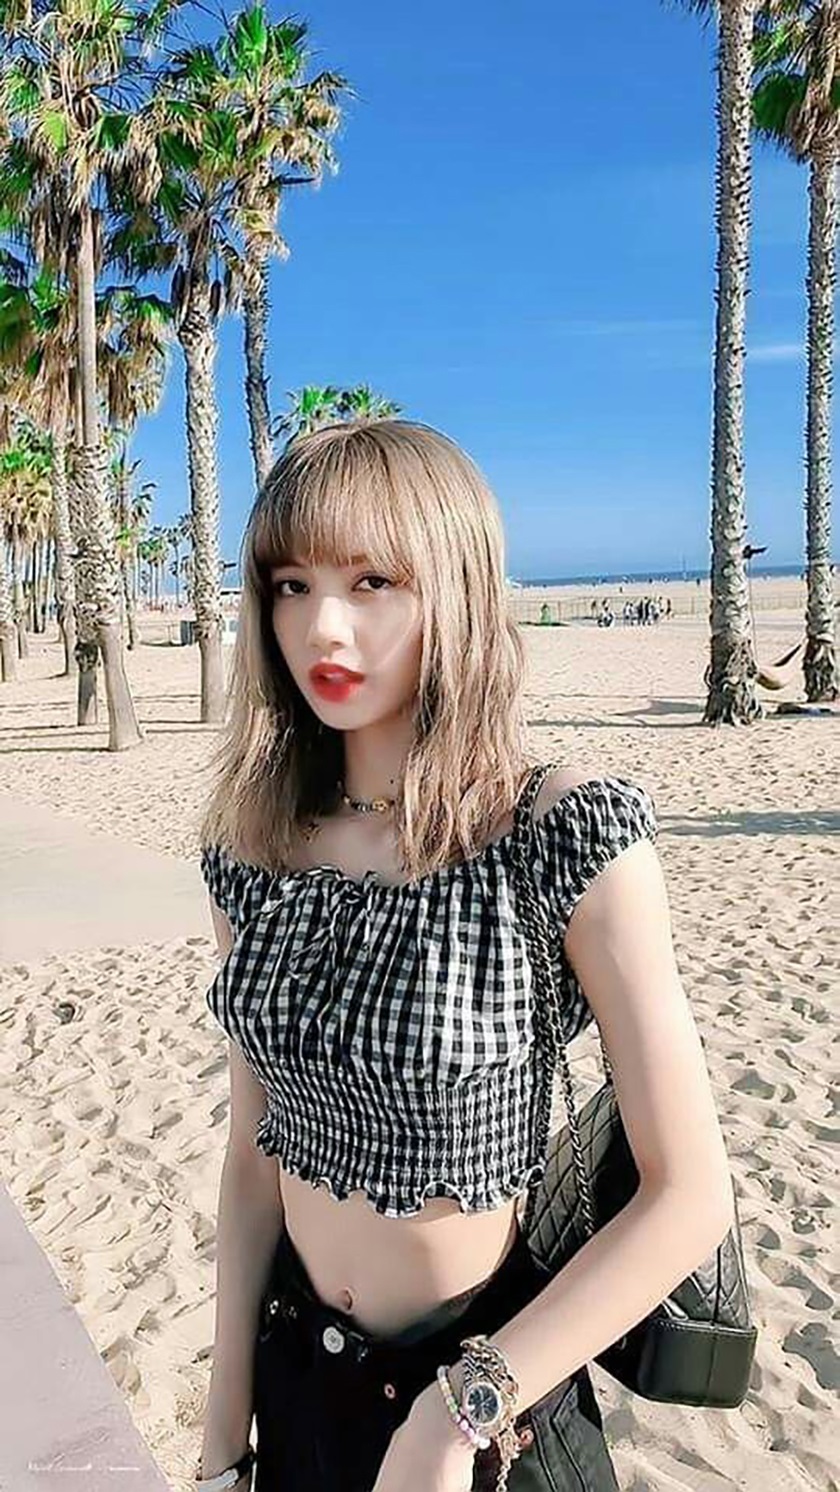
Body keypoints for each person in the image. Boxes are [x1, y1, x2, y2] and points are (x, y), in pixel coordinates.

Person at [195, 419, 735, 1492]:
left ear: (458, 589)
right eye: (292, 585)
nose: (322, 626)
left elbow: (689, 1196)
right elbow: (255, 1159)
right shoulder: (254, 850)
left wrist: (459, 1411)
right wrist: (223, 1439)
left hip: (486, 1408)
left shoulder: (557, 833)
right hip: (299, 1383)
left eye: (372, 580)